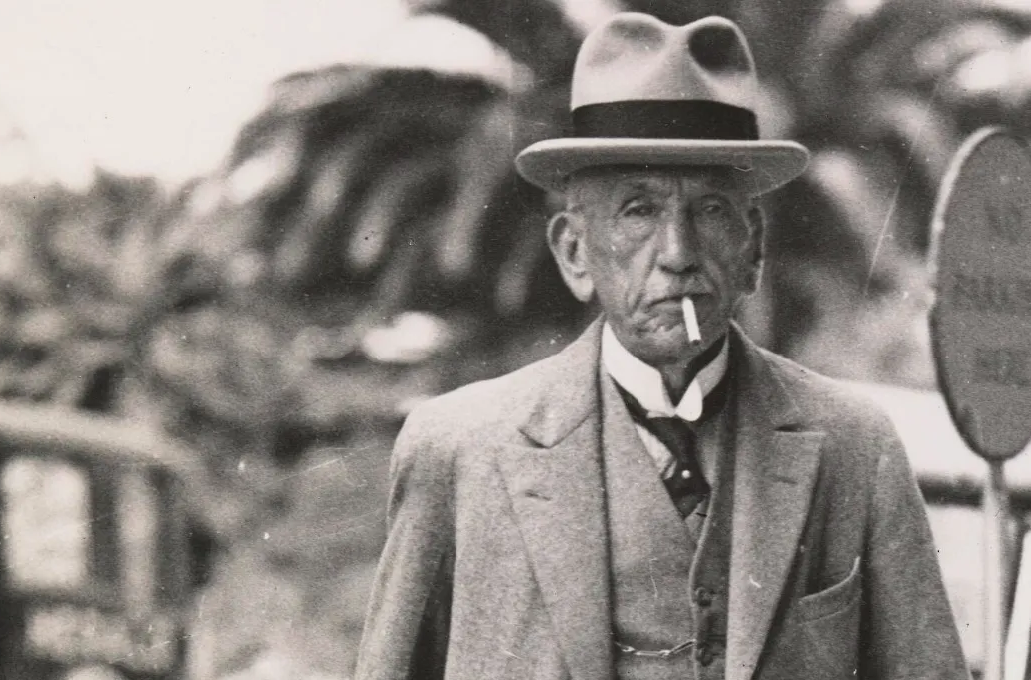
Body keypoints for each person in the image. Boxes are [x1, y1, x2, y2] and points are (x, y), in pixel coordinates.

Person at [355, 13, 969, 680]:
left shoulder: (854, 448)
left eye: (708, 210)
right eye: (637, 210)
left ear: (754, 247)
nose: (677, 254)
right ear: (573, 252)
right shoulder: (459, 451)